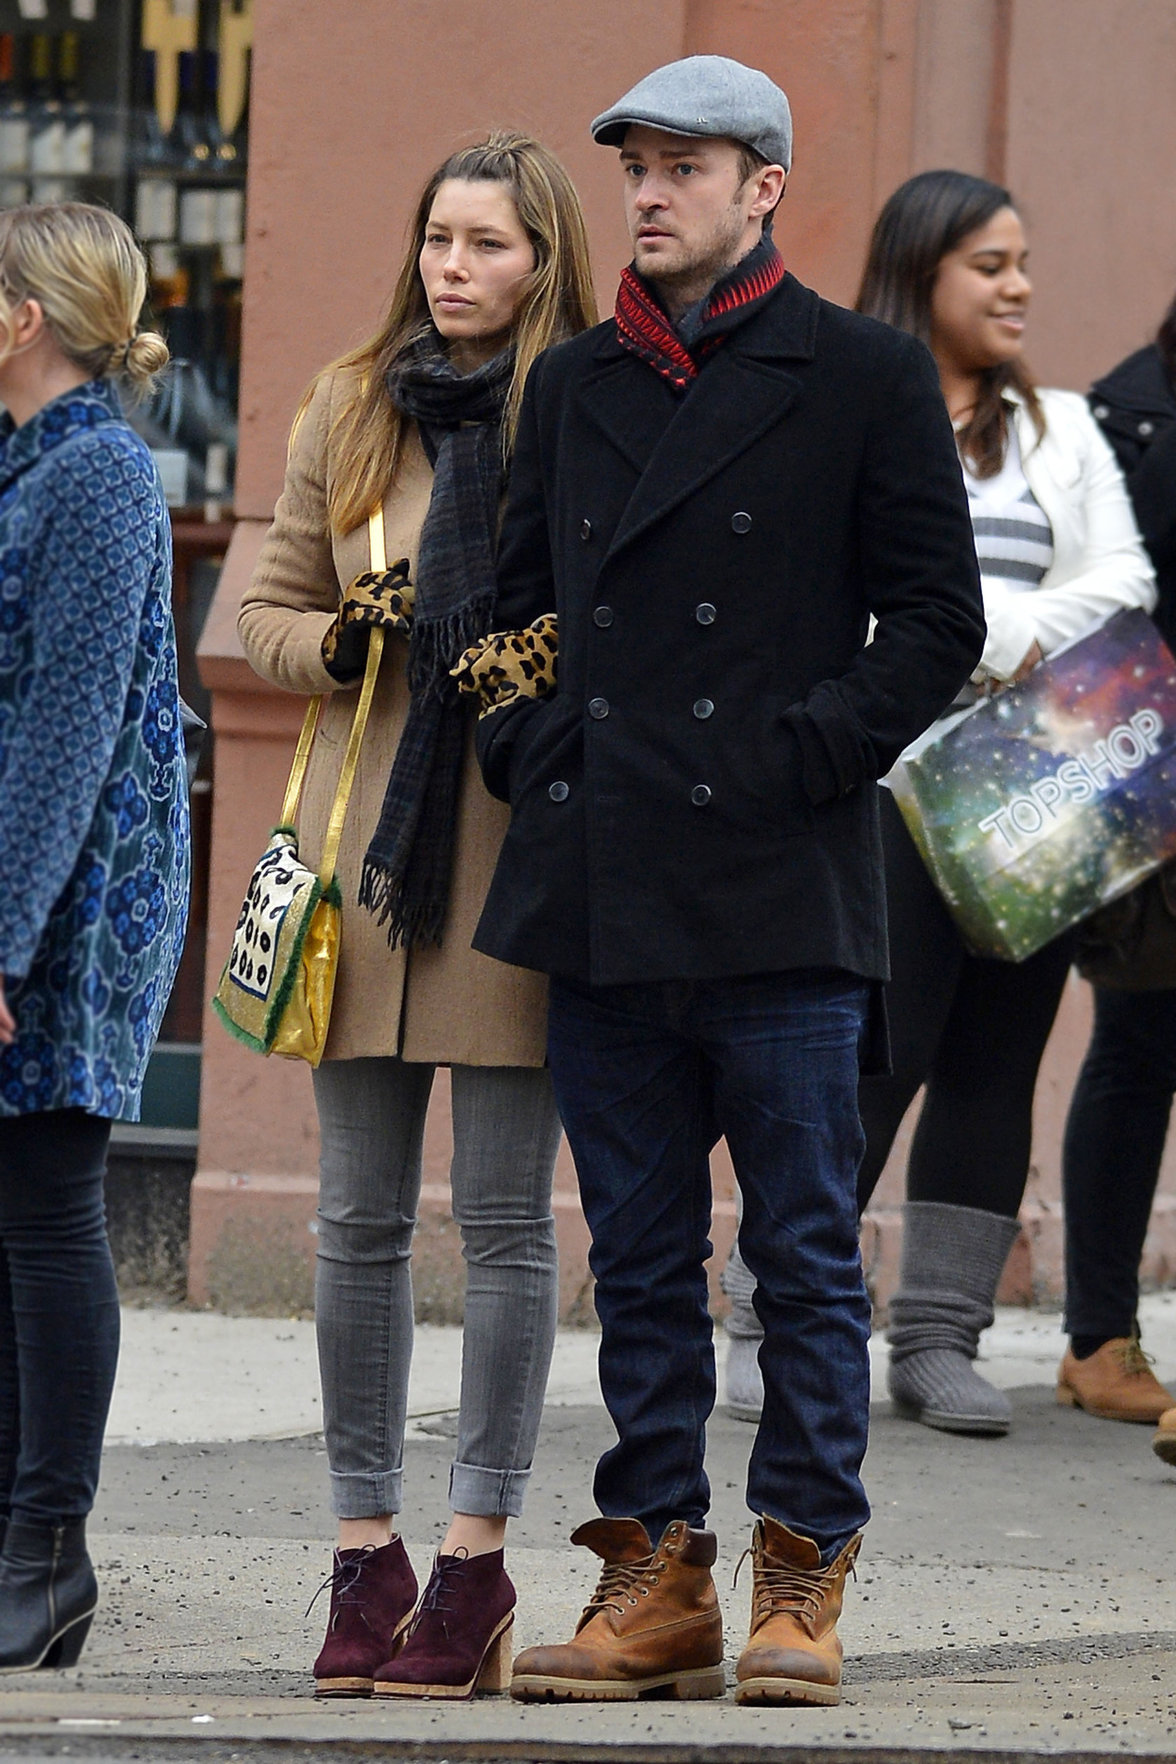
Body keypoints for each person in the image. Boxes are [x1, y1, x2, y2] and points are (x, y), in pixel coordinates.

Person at [455, 59, 985, 1707]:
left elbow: (937, 617)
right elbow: (513, 609)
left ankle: (802, 1568)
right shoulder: (574, 384)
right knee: (636, 1247)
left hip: (780, 885)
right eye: (636, 169)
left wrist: (808, 752)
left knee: (805, 1250)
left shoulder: (864, 376)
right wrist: (533, 755)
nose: (650, 194)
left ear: (765, 185)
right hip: (608, 877)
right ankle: (658, 1569)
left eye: (685, 167)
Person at [238, 133, 596, 1701]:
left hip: (521, 861)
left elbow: (631, 618)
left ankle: (473, 1560)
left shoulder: (585, 411)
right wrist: (343, 638)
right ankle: (361, 1549)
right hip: (369, 871)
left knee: (510, 1231)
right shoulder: (346, 400)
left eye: (491, 244)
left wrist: (546, 657)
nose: (456, 267)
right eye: (439, 238)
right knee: (358, 1227)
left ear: (545, 262)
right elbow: (258, 612)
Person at [720, 174, 1163, 1436]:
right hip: (890, 786)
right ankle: (772, 1318)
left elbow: (1119, 584)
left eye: (1024, 262)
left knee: (995, 1058)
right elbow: (822, 589)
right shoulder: (847, 403)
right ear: (922, 272)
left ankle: (937, 1339)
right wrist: (946, 637)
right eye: (990, 264)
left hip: (1037, 788)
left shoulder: (1063, 431)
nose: (1019, 286)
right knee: (868, 1062)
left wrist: (977, 629)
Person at [0, 203, 188, 1670]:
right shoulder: (24, 465)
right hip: (16, 891)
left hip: (75, 900)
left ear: (23, 318)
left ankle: (48, 1550)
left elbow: (64, 734)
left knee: (50, 1206)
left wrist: (0, 946)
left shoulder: (105, 473)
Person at [1062, 290, 1176, 1444]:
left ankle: (1100, 1334)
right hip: (1149, 784)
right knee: (1138, 1044)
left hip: (1141, 776)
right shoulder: (1137, 421)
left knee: (1136, 1050)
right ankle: (1099, 1334)